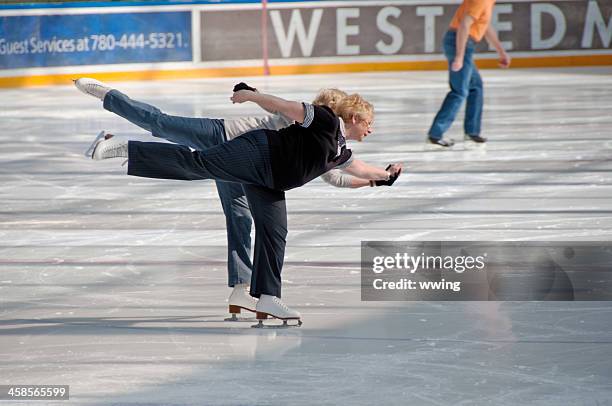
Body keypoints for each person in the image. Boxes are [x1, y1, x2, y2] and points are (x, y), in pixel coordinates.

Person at [75, 78, 402, 326]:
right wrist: (249, 95)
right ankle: (125, 146)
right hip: (252, 151)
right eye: (369, 123)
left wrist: (384, 176)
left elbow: (354, 169)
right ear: (355, 117)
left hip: (270, 179)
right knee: (195, 163)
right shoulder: (324, 121)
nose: (371, 130)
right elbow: (282, 106)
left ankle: (266, 297)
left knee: (274, 232)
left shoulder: (339, 151)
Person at [426, 0, 510, 148]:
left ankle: (472, 132)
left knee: (475, 86)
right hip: (460, 43)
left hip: (463, 43)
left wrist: (501, 51)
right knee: (459, 91)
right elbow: (464, 25)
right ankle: (435, 134)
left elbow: (485, 27)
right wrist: (459, 56)